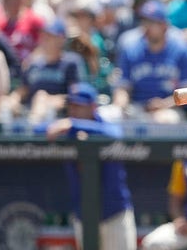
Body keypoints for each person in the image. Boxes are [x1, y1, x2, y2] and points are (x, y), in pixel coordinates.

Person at [42, 82, 137, 250]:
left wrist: (75, 125)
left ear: (93, 107)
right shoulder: (65, 128)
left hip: (114, 215)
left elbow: (116, 134)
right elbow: (40, 130)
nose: (73, 111)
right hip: (84, 215)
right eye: (71, 106)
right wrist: (68, 127)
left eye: (79, 106)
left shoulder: (103, 127)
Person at [110, 0, 187, 124]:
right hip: (137, 107)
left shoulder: (180, 49)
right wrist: (120, 107)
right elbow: (123, 87)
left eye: (152, 22)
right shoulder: (131, 48)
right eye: (144, 21)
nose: (147, 27)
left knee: (163, 119)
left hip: (170, 108)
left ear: (164, 26)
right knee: (110, 116)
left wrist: (165, 104)